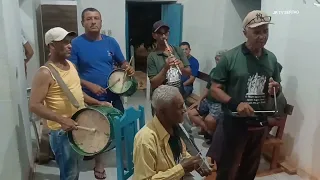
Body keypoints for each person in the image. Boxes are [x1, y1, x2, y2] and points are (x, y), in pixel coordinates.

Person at [29, 27, 112, 180]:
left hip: (78, 126)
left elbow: (77, 94)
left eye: (70, 42)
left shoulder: (71, 66)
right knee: (69, 174)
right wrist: (62, 120)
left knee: (74, 171)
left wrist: (98, 103)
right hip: (62, 133)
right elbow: (34, 105)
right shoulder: (45, 73)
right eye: (65, 42)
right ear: (51, 46)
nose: (70, 45)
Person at [211, 10, 281, 180]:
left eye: (265, 31)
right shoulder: (230, 58)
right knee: (228, 170)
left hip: (259, 125)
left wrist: (275, 89)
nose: (262, 36)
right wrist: (236, 104)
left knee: (249, 170)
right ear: (245, 33)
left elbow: (276, 88)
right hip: (234, 124)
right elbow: (214, 89)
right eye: (257, 32)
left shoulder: (271, 58)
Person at [69, 8, 134, 179]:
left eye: (96, 18)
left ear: (101, 21)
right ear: (83, 23)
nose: (93, 21)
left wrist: (128, 68)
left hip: (113, 94)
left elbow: (123, 62)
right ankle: (99, 164)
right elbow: (72, 73)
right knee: (97, 130)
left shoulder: (110, 42)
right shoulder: (76, 44)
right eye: (89, 18)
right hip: (89, 95)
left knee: (120, 125)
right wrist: (89, 84)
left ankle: (127, 160)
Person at [132, 85, 212, 180]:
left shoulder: (174, 126)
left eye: (183, 105)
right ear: (162, 112)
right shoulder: (145, 140)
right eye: (180, 107)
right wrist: (181, 169)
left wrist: (194, 162)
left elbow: (180, 154)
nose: (184, 110)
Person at [187, 50, 227, 144]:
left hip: (218, 103)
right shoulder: (214, 71)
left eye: (219, 60)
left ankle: (213, 136)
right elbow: (207, 88)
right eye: (216, 59)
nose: (217, 62)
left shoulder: (228, 74)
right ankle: (208, 131)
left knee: (209, 119)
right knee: (190, 112)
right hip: (208, 101)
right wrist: (199, 100)